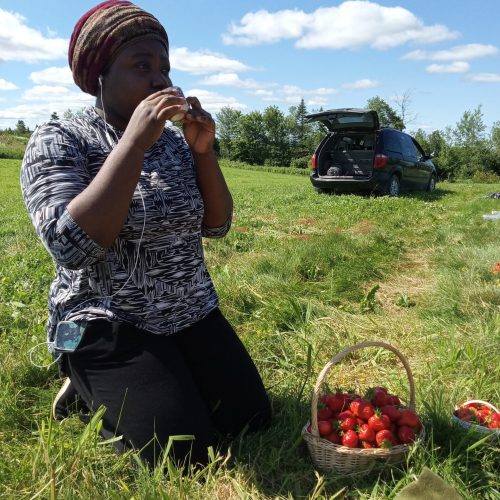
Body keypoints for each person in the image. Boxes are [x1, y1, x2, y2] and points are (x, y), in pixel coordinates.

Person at [21, 0, 270, 467]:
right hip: (106, 317)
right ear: (100, 75)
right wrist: (133, 142)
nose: (161, 80)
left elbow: (217, 226)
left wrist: (202, 152)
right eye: (142, 65)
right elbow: (70, 247)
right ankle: (82, 376)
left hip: (188, 306)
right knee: (180, 452)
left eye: (165, 67)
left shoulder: (174, 144)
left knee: (250, 417)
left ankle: (165, 369)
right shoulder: (61, 139)